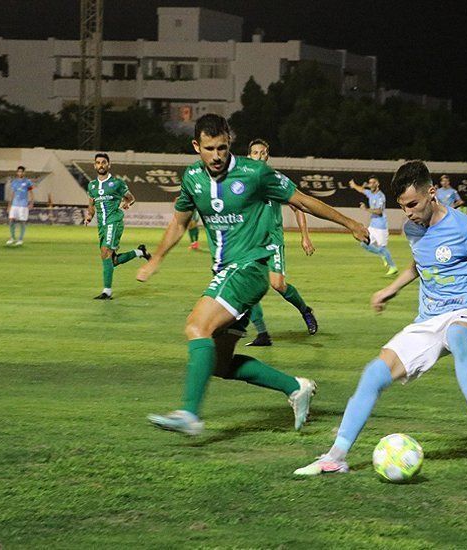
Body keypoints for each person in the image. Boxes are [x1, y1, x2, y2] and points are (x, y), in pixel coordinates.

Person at [294, 160, 467, 476]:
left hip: (466, 308)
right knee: (373, 374)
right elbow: (420, 264)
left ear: (432, 193)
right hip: (428, 317)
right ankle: (336, 456)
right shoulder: (414, 228)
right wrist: (391, 288)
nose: (408, 213)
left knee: (456, 336)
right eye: (402, 207)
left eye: (413, 204)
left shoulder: (466, 229)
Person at [137, 114, 369, 436]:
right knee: (219, 364)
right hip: (226, 271)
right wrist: (156, 259)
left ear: (229, 143)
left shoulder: (256, 173)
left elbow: (301, 200)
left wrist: (351, 224)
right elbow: (179, 222)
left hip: (249, 268)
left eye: (222, 147)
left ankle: (190, 414)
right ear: (196, 146)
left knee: (196, 326)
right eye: (209, 148)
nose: (216, 156)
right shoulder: (192, 178)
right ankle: (295, 387)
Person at [245, 138, 319, 347]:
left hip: (272, 241)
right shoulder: (241, 181)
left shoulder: (276, 180)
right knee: (247, 286)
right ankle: (261, 333)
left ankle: (305, 311)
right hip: (249, 242)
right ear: (249, 156)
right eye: (254, 153)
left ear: (267, 155)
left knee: (278, 284)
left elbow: (298, 207)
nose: (259, 156)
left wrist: (304, 236)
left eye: (262, 152)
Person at [82, 153, 151, 300]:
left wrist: (127, 203)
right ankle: (139, 252)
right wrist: (89, 216)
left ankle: (107, 291)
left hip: (114, 221)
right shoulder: (92, 185)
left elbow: (131, 198)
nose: (101, 165)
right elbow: (91, 206)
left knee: (106, 252)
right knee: (111, 260)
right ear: (95, 165)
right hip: (102, 225)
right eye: (98, 163)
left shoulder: (117, 183)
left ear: (109, 165)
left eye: (103, 162)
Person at [349, 176, 398, 276]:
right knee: (363, 243)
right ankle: (382, 255)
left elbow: (379, 211)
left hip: (381, 227)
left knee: (383, 248)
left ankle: (393, 267)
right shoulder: (370, 194)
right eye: (370, 183)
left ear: (377, 184)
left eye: (373, 182)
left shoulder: (380, 196)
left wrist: (366, 209)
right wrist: (354, 186)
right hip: (372, 226)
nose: (371, 184)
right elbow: (362, 190)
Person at [6, 166, 34, 246]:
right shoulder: (14, 182)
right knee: (11, 220)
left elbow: (31, 192)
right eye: (19, 172)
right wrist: (9, 205)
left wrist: (31, 202)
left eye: (21, 172)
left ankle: (20, 239)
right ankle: (12, 237)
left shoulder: (28, 182)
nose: (20, 173)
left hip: (23, 205)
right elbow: (12, 193)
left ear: (24, 173)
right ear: (17, 172)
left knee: (22, 221)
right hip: (14, 204)